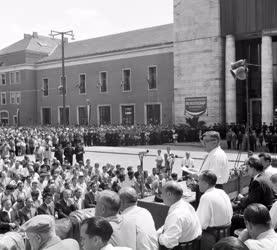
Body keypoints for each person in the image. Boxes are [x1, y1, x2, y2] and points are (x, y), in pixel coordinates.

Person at [157, 181, 202, 249]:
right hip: (192, 245)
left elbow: (169, 243)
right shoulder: (187, 205)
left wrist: (158, 236)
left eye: (162, 193)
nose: (161, 196)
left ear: (169, 194)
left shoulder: (176, 214)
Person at [197, 170, 233, 250]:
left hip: (212, 237)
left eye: (199, 181)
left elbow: (201, 223)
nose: (198, 183)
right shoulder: (222, 192)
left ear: (206, 184)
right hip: (226, 233)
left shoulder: (206, 197)